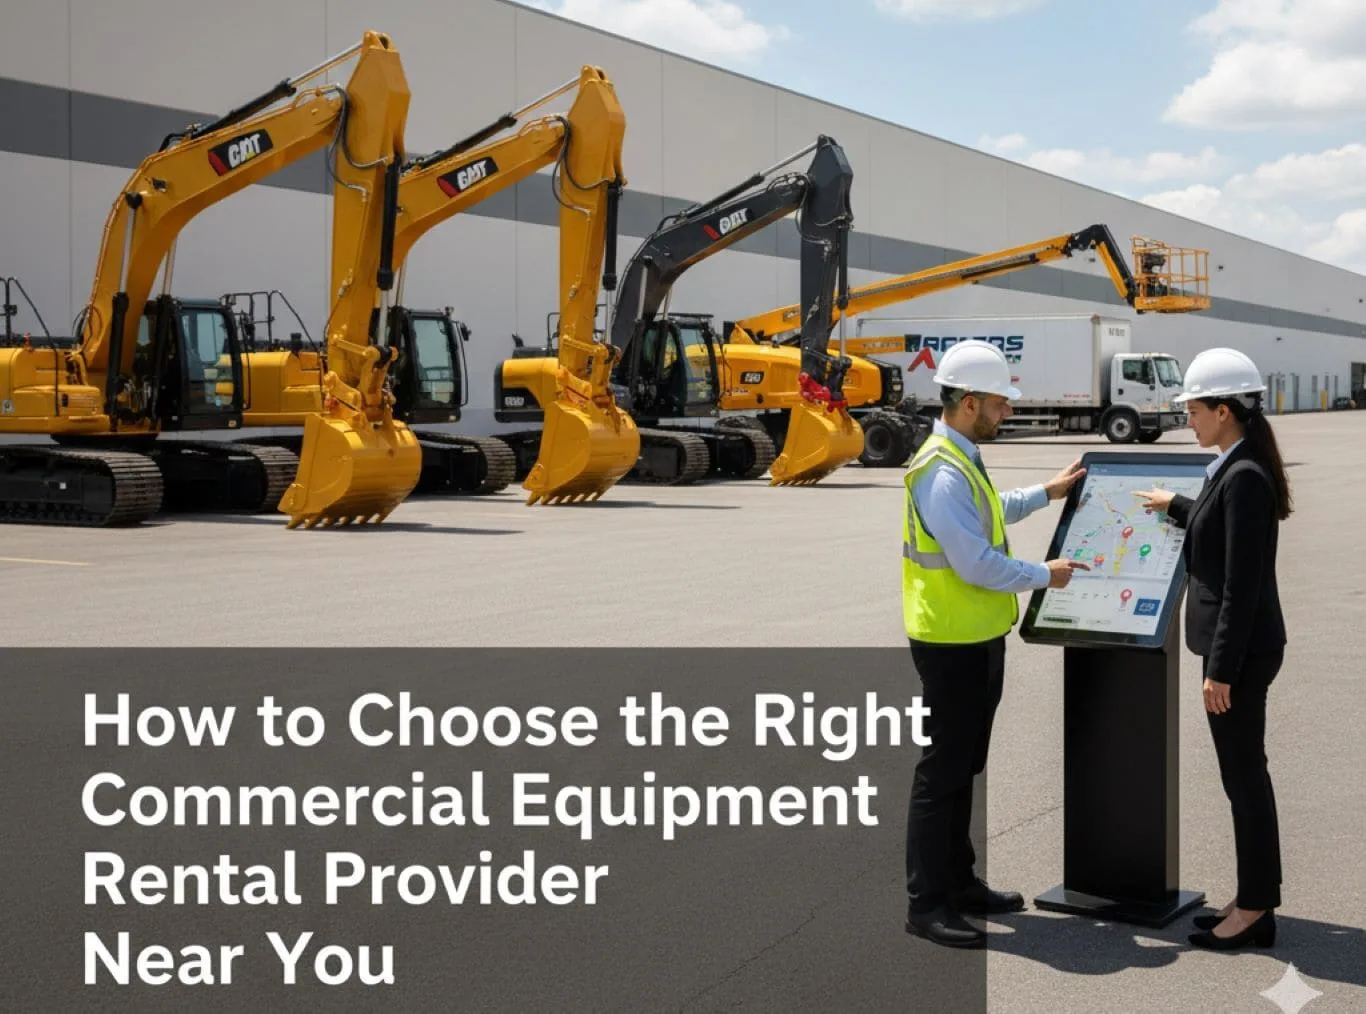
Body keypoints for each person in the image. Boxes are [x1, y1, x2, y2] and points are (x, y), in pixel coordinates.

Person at [901, 340, 1088, 949]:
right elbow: (976, 562)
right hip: (950, 643)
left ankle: (960, 882)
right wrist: (1045, 575)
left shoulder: (963, 457)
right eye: (1001, 405)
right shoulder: (941, 470)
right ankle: (927, 904)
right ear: (970, 402)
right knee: (942, 773)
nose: (1006, 414)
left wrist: (1046, 492)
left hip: (978, 637)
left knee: (964, 767)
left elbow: (993, 515)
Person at [1134, 347, 1291, 952]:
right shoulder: (1237, 463)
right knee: (1242, 777)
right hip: (1240, 650)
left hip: (1241, 654)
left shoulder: (1245, 476)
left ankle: (1255, 909)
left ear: (1224, 410)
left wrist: (1219, 670)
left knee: (1245, 779)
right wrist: (1172, 506)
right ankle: (1252, 895)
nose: (1188, 420)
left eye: (1194, 410)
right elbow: (1215, 523)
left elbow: (1242, 587)